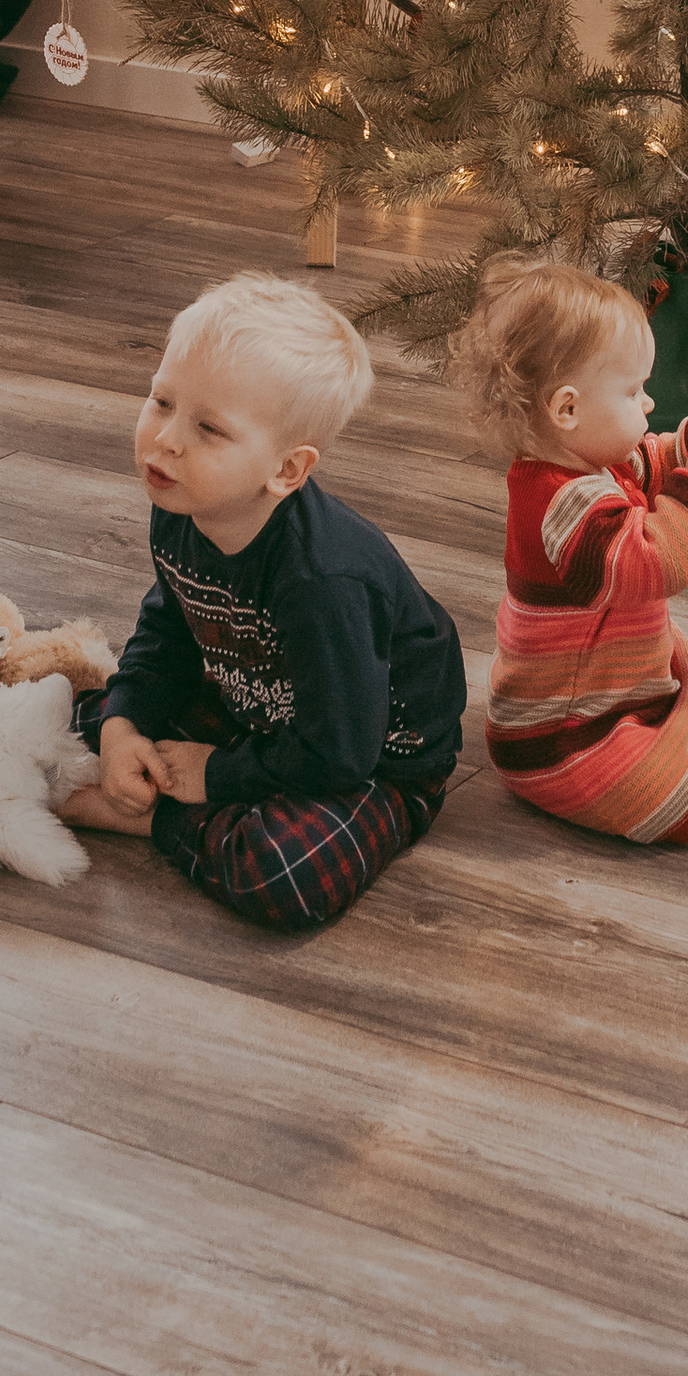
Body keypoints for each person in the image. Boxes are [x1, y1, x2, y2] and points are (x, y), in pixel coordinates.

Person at [61, 273, 464, 929]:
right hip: (255, 704)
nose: (166, 439)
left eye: (209, 428)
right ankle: (177, 783)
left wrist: (216, 776)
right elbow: (169, 629)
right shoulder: (183, 500)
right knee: (78, 714)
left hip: (371, 759)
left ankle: (154, 820)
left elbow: (340, 753)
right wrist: (123, 724)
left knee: (283, 872)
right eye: (161, 401)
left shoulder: (324, 581)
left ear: (286, 470)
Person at [452, 254, 688, 846]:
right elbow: (655, 564)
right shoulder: (561, 504)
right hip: (565, 734)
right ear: (567, 409)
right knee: (663, 801)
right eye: (633, 391)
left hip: (617, 676)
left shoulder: (591, 461)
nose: (648, 403)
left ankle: (680, 736)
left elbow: (650, 464)